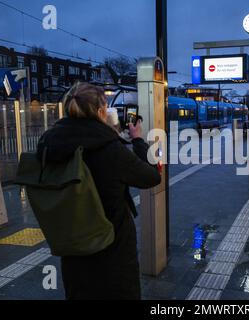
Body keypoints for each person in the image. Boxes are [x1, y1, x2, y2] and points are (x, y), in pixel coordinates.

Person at [36, 82, 161, 300]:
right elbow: (151, 177)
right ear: (102, 111)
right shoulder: (110, 148)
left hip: (72, 246)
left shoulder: (49, 143)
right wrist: (138, 139)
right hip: (111, 249)